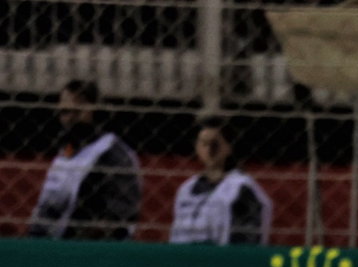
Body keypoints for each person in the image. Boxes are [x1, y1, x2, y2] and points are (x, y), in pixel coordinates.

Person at [27, 80, 141, 240]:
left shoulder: (112, 152)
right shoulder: (64, 154)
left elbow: (120, 214)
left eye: (78, 110)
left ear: (93, 109)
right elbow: (46, 207)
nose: (71, 118)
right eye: (66, 111)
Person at [169, 116, 273, 246]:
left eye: (216, 144)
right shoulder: (187, 189)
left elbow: (248, 240)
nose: (210, 150)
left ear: (229, 147)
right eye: (204, 144)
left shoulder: (241, 188)